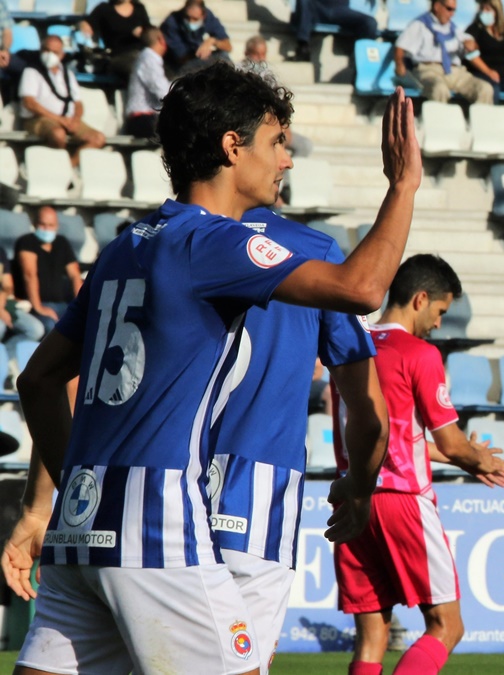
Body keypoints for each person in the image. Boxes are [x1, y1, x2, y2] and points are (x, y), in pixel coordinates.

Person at [0, 63, 423, 674]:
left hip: (82, 527)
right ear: (233, 146)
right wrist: (403, 188)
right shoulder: (213, 242)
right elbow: (361, 289)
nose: (287, 161)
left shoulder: (127, 243)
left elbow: (38, 380)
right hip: (158, 524)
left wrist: (77, 488)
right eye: (277, 142)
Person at [209, 206, 387, 670]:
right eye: (280, 144)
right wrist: (360, 487)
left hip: (163, 481)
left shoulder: (161, 241)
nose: (286, 161)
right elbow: (370, 417)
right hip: (259, 486)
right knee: (243, 663)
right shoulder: (314, 251)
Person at [334, 253, 504, 675]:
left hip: (353, 498)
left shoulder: (350, 346)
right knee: (446, 625)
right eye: (440, 312)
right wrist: (479, 457)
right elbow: (451, 443)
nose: (438, 324)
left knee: (372, 636)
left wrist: (461, 457)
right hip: (403, 503)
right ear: (420, 299)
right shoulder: (420, 354)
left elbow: (387, 434)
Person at [19, 36, 107, 165]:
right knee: (58, 134)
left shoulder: (68, 74)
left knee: (98, 138)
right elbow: (30, 103)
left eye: (55, 52)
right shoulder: (31, 71)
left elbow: (78, 103)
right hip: (39, 118)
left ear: (62, 55)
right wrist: (58, 119)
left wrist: (75, 120)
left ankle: (69, 166)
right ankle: (58, 166)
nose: (49, 55)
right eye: (46, 50)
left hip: (68, 119)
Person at [393, 0, 495, 105]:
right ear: (437, 6)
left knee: (484, 89)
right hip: (429, 70)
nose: (452, 14)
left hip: (455, 72)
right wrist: (400, 65)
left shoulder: (453, 29)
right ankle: (439, 120)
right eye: (449, 9)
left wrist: (472, 45)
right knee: (439, 89)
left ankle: (481, 120)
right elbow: (400, 47)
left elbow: (470, 44)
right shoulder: (419, 25)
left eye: (454, 10)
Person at [238, 35, 314, 158]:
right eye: (256, 54)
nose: (261, 58)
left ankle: (284, 176)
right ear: (247, 53)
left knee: (305, 145)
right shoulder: (239, 73)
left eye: (263, 54)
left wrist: (284, 127)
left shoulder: (268, 73)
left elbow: (280, 102)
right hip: (253, 127)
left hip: (274, 123)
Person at [12, 206, 82, 335]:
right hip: (34, 305)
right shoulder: (27, 242)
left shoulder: (62, 243)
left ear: (57, 226)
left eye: (51, 225)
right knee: (52, 328)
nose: (46, 229)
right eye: (42, 224)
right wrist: (39, 307)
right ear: (35, 224)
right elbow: (30, 275)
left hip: (62, 304)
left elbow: (75, 275)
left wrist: (81, 304)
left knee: (81, 325)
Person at [77, 0, 152, 81]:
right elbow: (87, 23)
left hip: (141, 54)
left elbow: (150, 30)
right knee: (138, 69)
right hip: (118, 56)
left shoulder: (139, 8)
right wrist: (83, 25)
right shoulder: (104, 9)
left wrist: (143, 32)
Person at [288, 0, 379, 63]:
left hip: (341, 10)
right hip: (317, 7)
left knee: (370, 23)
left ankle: (362, 62)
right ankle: (303, 48)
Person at [161, 0, 233, 74]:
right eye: (187, 17)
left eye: (195, 19)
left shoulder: (208, 17)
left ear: (203, 16)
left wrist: (212, 41)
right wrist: (202, 52)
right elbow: (182, 58)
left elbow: (228, 46)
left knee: (223, 56)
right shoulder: (172, 22)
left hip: (194, 60)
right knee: (220, 59)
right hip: (175, 67)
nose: (190, 21)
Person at [124, 27, 169, 140]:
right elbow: (164, 94)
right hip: (142, 119)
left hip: (150, 118)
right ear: (161, 39)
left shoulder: (148, 58)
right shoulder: (149, 59)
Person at [0, 246, 44, 346]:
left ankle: (8, 357)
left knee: (36, 330)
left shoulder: (1, 251)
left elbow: (7, 285)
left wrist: (1, 307)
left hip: (4, 304)